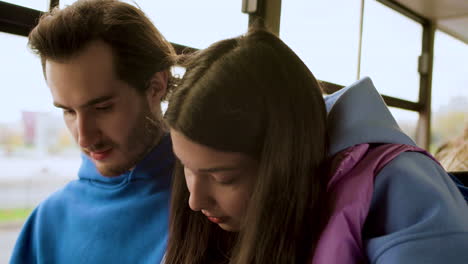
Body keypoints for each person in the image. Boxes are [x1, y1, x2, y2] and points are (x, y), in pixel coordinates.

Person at [163, 28, 468, 263]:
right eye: (188, 169)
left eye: (223, 178)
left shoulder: (400, 190)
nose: (195, 200)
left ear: (284, 156)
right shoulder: (205, 217)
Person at [10, 1, 176, 263]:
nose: (84, 138)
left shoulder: (212, 207)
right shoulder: (47, 220)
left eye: (102, 107)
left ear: (156, 86)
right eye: (69, 112)